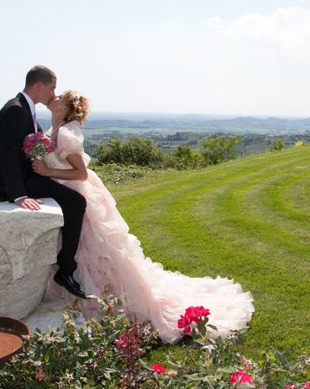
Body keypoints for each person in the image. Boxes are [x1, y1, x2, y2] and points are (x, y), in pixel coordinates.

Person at [33, 90, 254, 343]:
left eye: (60, 95)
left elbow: (81, 173)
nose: (55, 97)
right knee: (79, 249)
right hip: (62, 196)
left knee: (93, 250)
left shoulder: (66, 133)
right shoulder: (55, 129)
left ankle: (103, 298)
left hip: (76, 194)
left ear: (67, 107)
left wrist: (48, 171)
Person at [0, 65, 87, 299]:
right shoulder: (16, 110)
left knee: (74, 202)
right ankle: (66, 269)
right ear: (39, 85)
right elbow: (7, 156)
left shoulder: (23, 108)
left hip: (30, 176)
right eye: (52, 87)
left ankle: (65, 268)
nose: (53, 93)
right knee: (76, 203)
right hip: (17, 183)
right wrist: (19, 196)